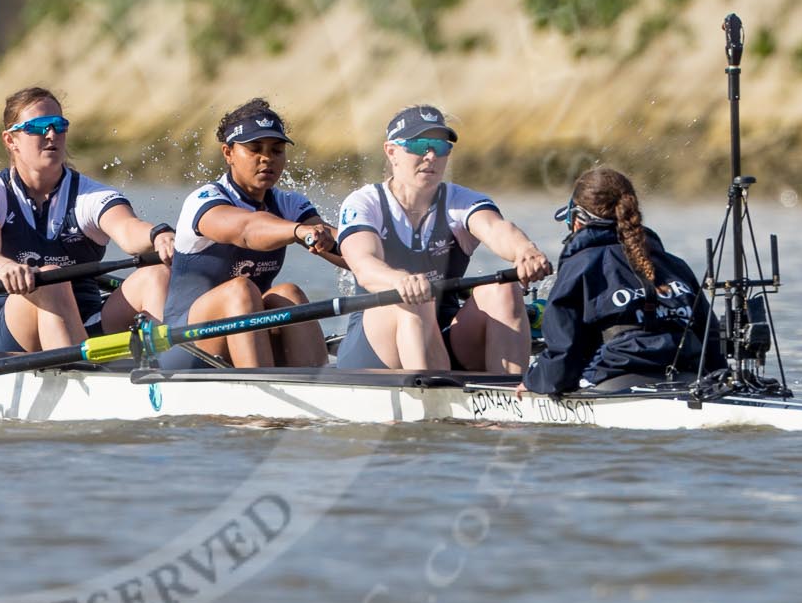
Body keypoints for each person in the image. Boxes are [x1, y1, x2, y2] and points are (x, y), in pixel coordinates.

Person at [334, 104, 551, 374]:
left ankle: (510, 400)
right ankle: (432, 409)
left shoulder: (461, 201)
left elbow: (496, 229)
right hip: (375, 346)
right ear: (392, 152)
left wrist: (525, 251)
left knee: (504, 289)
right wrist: (400, 280)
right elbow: (364, 266)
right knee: (413, 298)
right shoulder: (365, 202)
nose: (430, 156)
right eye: (419, 145)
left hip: (445, 336)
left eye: (440, 147)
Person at [0, 87, 175, 353]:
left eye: (59, 126)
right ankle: (81, 379)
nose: (51, 134)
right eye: (38, 127)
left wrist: (159, 235)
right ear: (10, 139)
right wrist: (4, 267)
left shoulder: (90, 194)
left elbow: (128, 230)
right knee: (49, 277)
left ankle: (166, 373)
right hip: (11, 332)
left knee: (156, 274)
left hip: (86, 325)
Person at [159, 100, 339, 370]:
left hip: (245, 336)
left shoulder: (290, 204)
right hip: (185, 345)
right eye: (254, 149)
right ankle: (259, 399)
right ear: (228, 153)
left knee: (289, 294)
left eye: (276, 150)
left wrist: (392, 261)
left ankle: (320, 388)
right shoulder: (205, 201)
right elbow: (247, 230)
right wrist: (298, 231)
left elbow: (348, 246)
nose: (267, 158)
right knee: (240, 290)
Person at [520, 166, 725, 395]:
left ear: (577, 220)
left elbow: (564, 355)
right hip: (689, 376)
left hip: (612, 381)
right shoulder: (675, 265)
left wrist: (533, 382)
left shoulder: (579, 267)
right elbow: (711, 337)